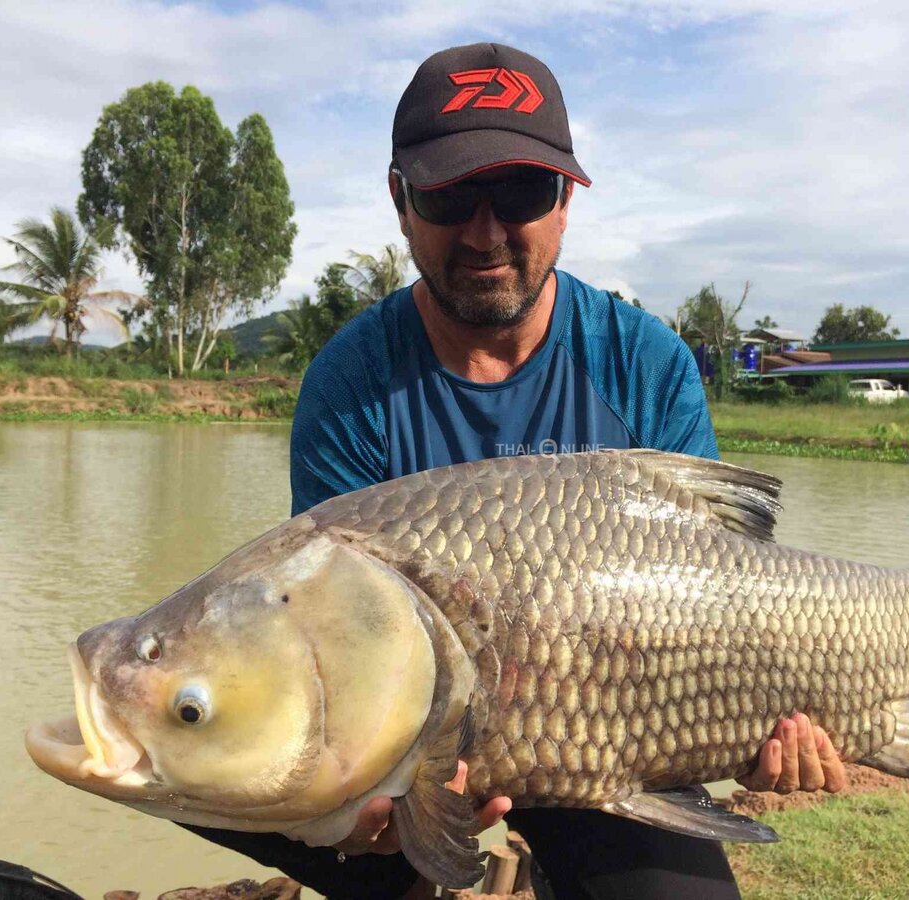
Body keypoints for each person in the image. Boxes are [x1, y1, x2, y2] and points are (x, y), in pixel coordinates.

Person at [186, 42, 846, 899]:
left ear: (566, 200)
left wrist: (757, 732)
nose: (487, 231)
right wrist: (373, 810)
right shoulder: (349, 383)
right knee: (209, 769)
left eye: (523, 192)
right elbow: (327, 635)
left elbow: (717, 592)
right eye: (452, 193)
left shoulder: (644, 363)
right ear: (401, 200)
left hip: (610, 739)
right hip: (408, 750)